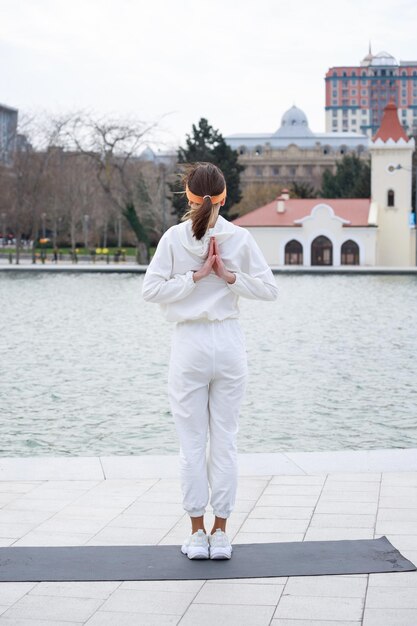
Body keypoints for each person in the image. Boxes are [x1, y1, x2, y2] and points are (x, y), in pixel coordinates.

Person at [142, 162, 278, 560]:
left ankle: (197, 534)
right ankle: (221, 534)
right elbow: (270, 290)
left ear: (187, 194)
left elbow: (150, 290)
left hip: (190, 345)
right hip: (229, 343)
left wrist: (196, 277)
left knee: (191, 443)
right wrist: (228, 276)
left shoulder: (174, 238)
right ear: (225, 194)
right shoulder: (239, 237)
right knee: (226, 441)